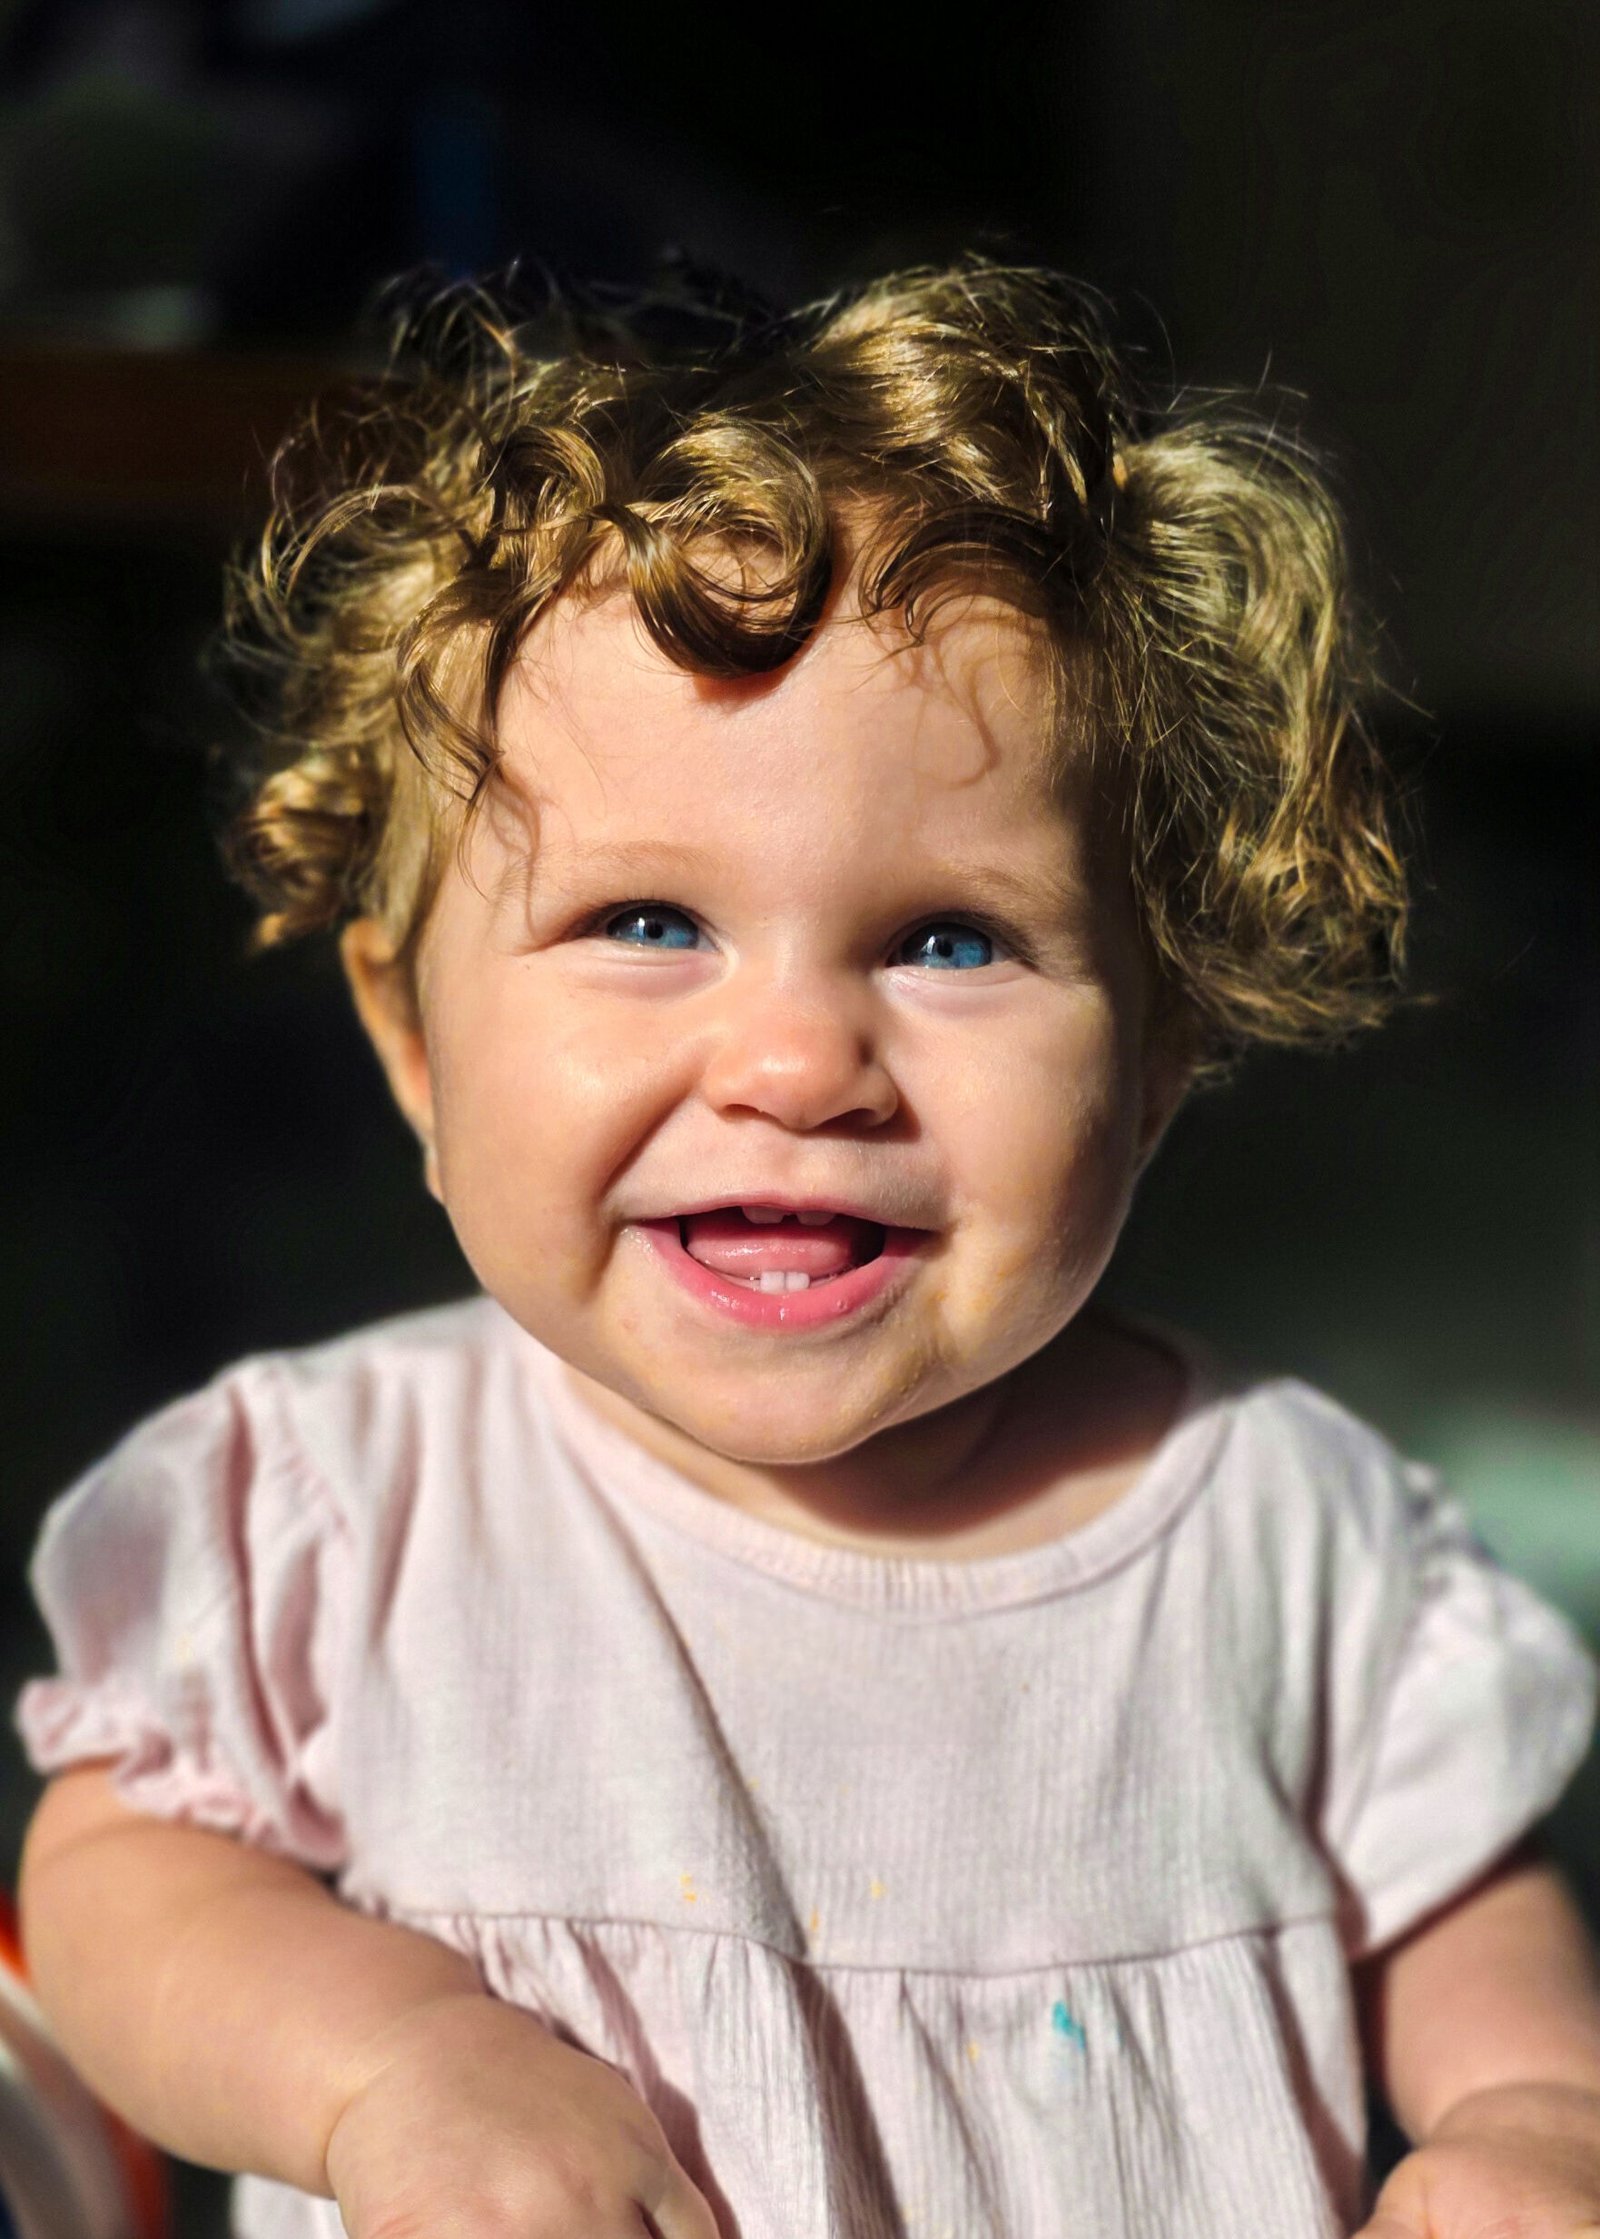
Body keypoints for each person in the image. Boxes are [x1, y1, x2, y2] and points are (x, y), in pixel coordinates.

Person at [13, 262, 1600, 2238]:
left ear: (1157, 1060)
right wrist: (389, 2066)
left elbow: (1453, 1894)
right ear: (414, 1041)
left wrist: (1534, 2112)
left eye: (948, 939)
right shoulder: (353, 1507)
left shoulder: (1279, 1525)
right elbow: (123, 1874)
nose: (791, 1064)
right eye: (647, 922)